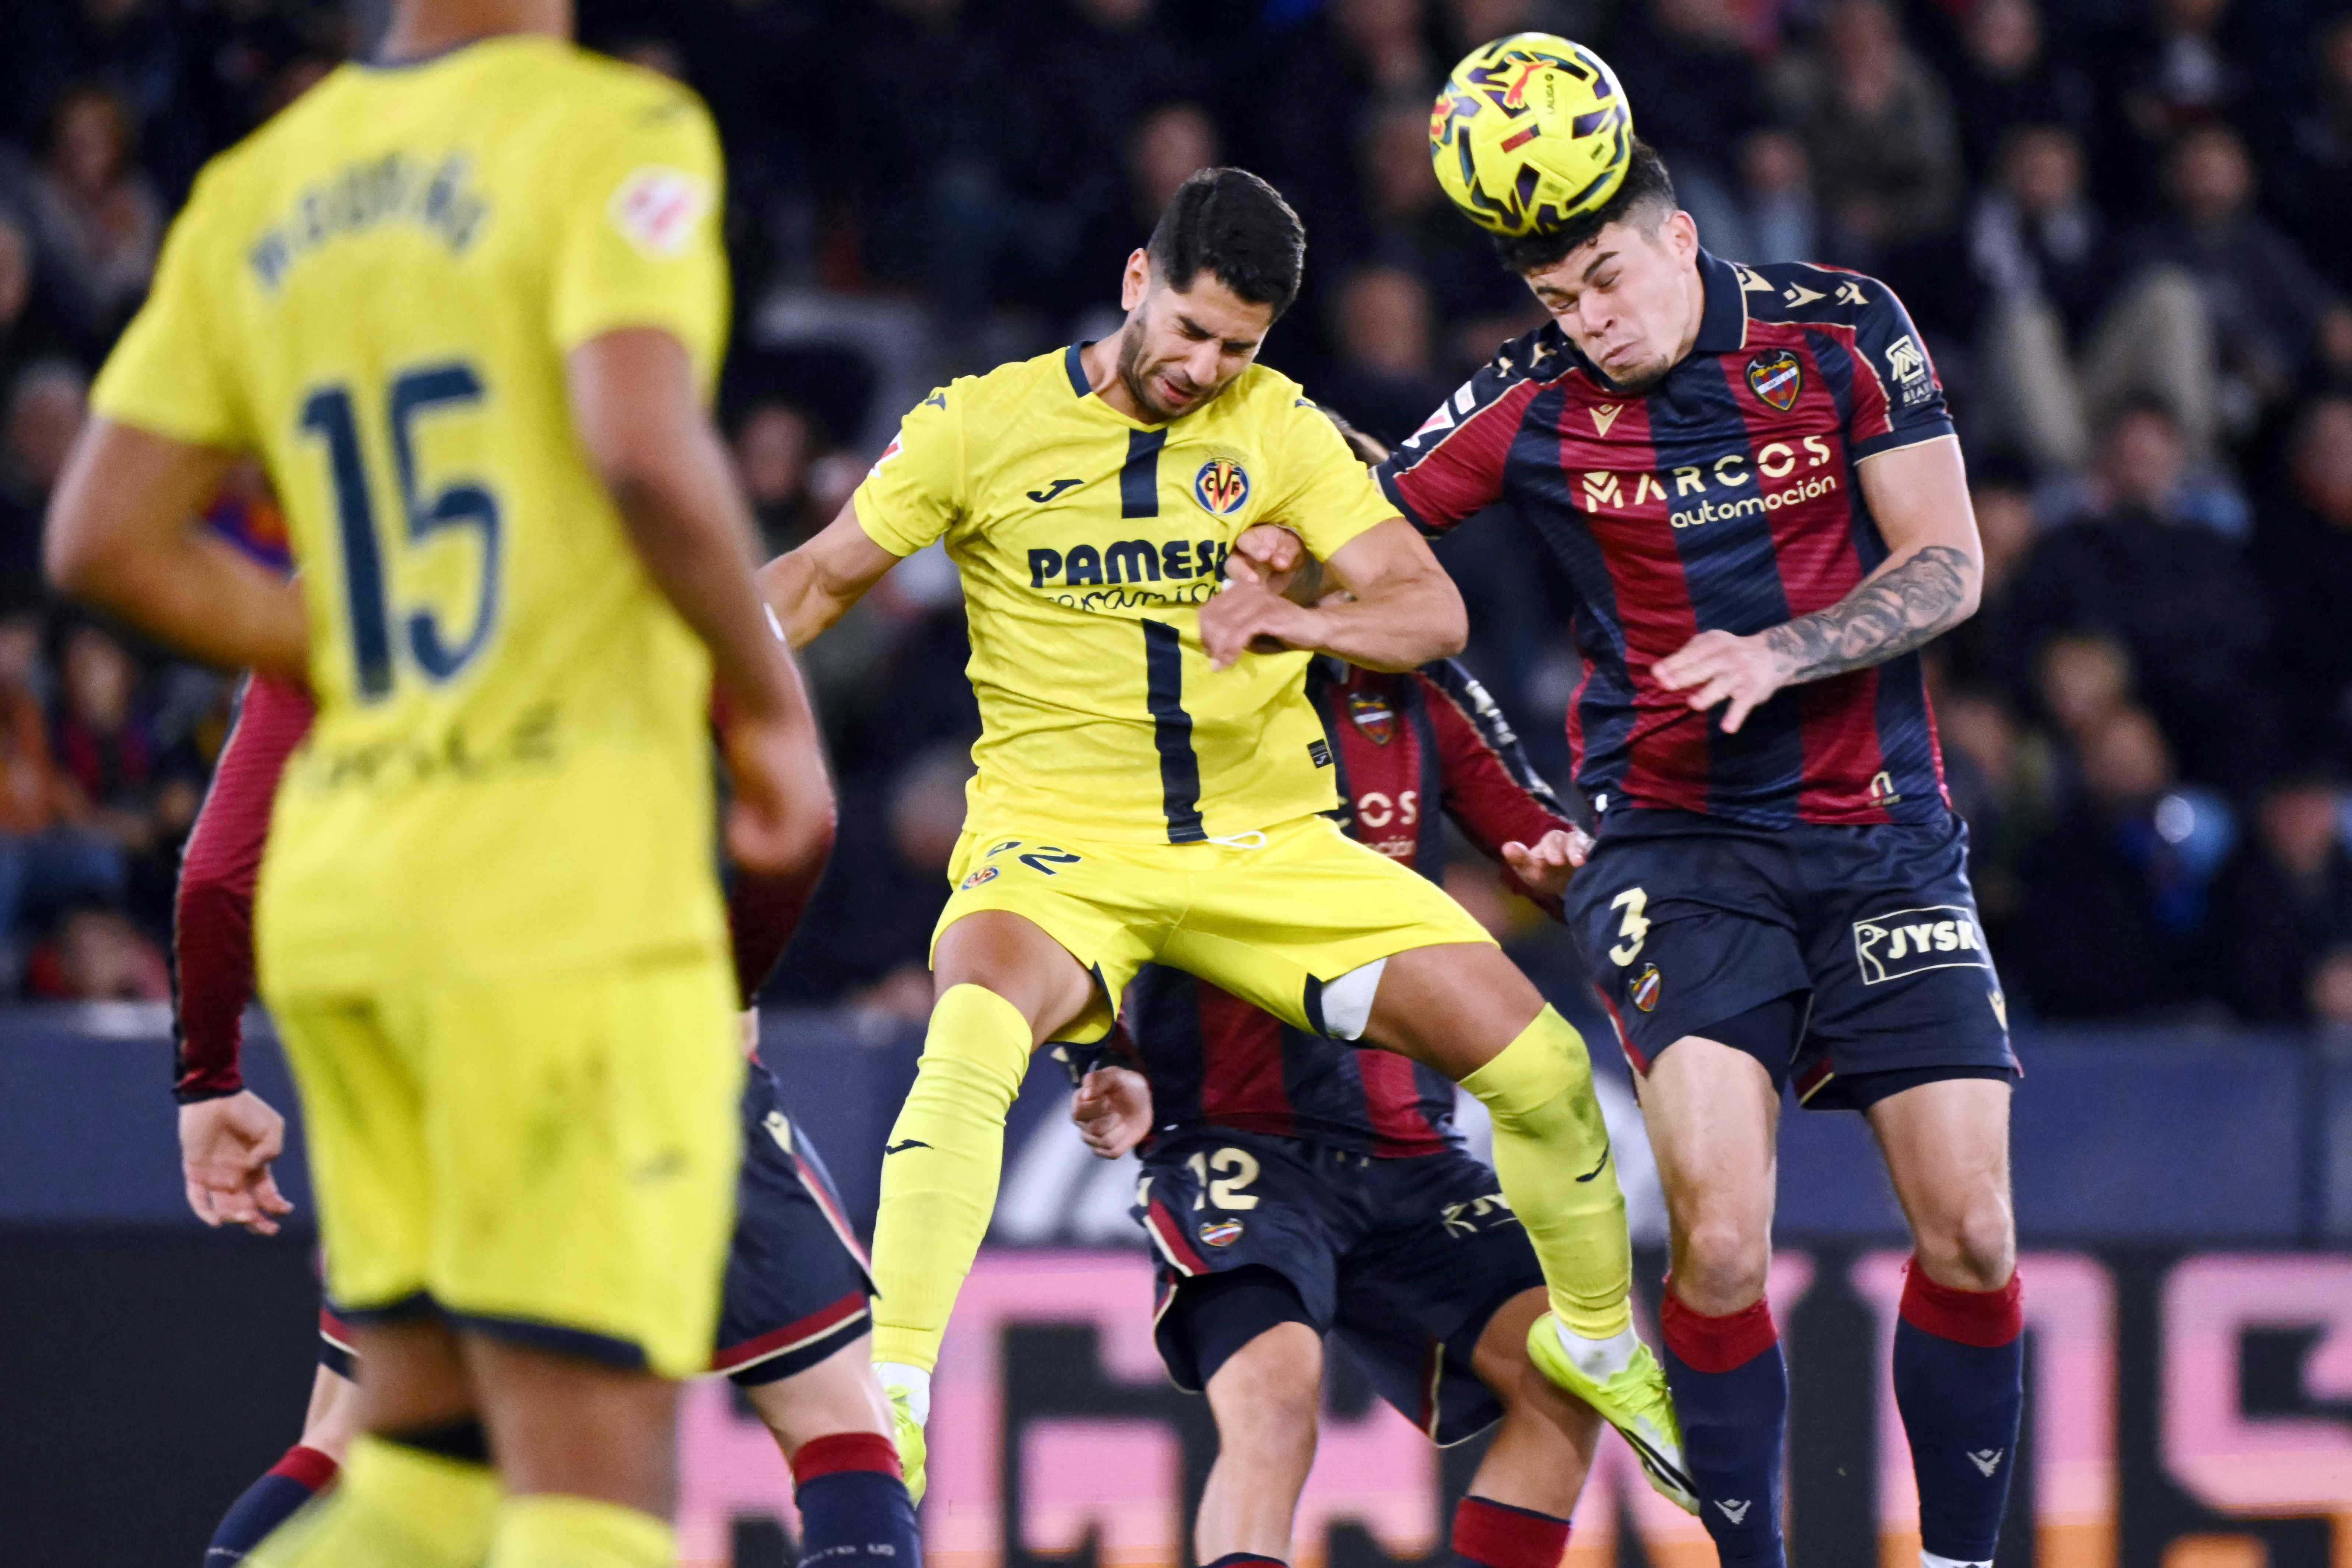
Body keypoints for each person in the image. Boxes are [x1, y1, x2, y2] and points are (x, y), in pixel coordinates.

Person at [760, 167, 1690, 1511]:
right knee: (968, 1035)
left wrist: (1297, 624)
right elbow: (814, 577)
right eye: (1189, 331)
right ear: (1137, 283)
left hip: (1264, 845)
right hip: (1057, 843)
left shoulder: (1283, 432)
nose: (1204, 368)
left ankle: (1601, 1339)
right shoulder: (978, 425)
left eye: (1237, 347)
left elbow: (1428, 610)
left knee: (1540, 1063)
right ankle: (890, 1391)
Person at [43, 1, 835, 1564]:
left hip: (352, 897)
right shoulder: (608, 129)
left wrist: (358, 640)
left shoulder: (262, 185)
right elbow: (639, 437)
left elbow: (101, 535)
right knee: (588, 1497)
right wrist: (767, 712)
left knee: (419, 1481)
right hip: (550, 881)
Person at [1373, 141, 2025, 1568]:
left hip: (1880, 833)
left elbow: (1951, 560)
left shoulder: (1842, 324)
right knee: (1721, 1242)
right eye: (1559, 298)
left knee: (1973, 1228)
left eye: (1607, 277)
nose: (1591, 319)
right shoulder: (1526, 400)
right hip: (1676, 846)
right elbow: (1360, 513)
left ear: (1681, 241)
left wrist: (1784, 650)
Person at [174, 672, 913, 1568]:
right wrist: (728, 985)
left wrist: (210, 1077)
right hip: (626, 1030)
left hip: (420, 1054)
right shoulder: (636, 547)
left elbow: (217, 873)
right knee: (831, 1417)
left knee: (351, 1439)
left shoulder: (337, 576)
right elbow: (799, 816)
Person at [1061, 467, 1612, 1568]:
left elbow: (1534, 838)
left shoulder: (1416, 689)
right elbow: (1067, 885)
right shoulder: (1160, 686)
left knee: (1564, 1379)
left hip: (1407, 1143)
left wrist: (1567, 869)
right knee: (1273, 1410)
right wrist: (1096, 1052)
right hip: (1233, 1134)